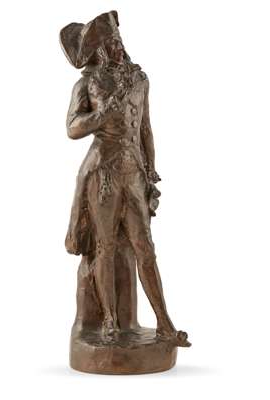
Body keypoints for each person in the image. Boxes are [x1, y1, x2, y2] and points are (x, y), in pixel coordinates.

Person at [61, 11, 190, 346]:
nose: (118, 48)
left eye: (118, 41)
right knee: (104, 247)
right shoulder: (87, 84)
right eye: (110, 44)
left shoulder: (139, 80)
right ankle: (109, 322)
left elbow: (145, 128)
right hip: (102, 171)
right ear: (99, 51)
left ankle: (164, 323)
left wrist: (151, 170)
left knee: (145, 248)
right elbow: (72, 128)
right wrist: (102, 114)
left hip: (133, 171)